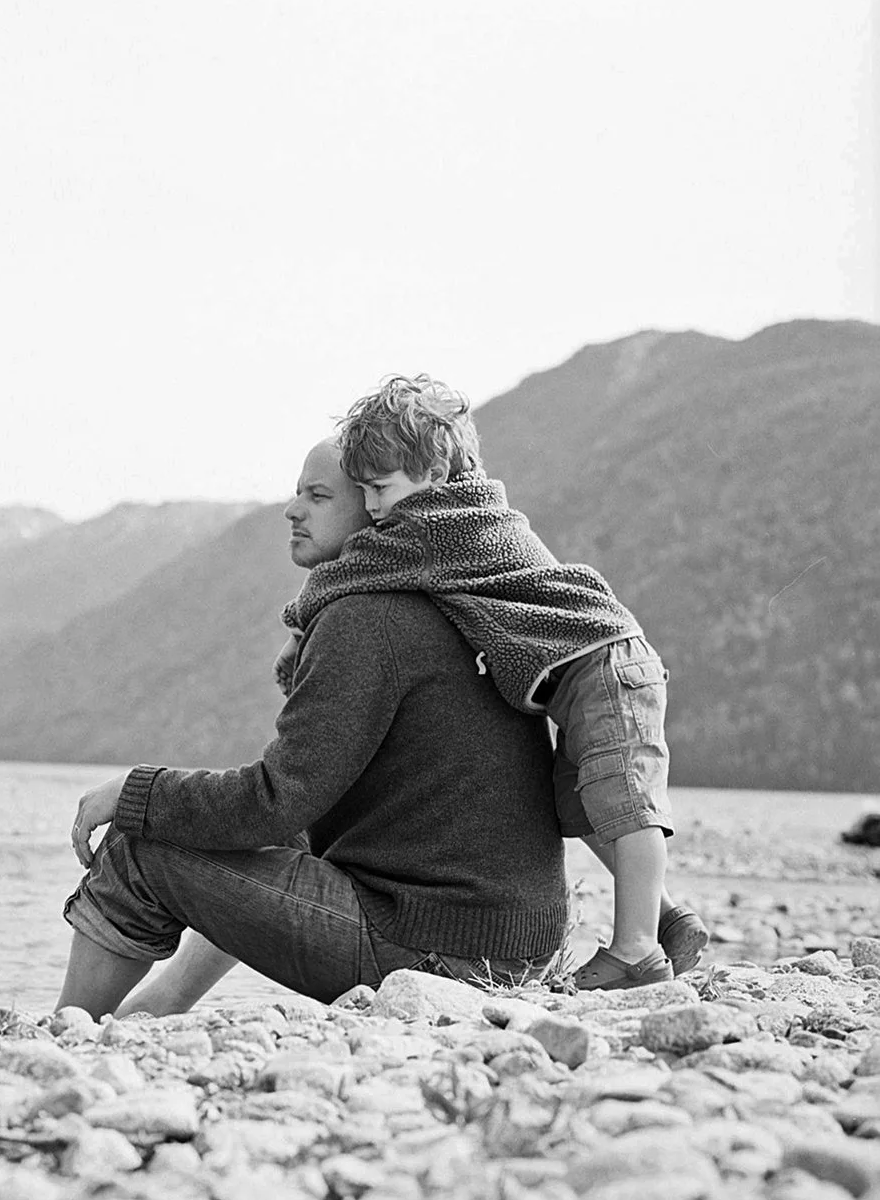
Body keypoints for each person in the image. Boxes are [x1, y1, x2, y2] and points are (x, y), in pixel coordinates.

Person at [54, 436, 569, 1021]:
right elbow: (294, 817)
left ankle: (65, 1031)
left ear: (375, 511)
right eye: (297, 492)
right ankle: (163, 1002)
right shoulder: (446, 599)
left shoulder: (366, 616)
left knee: (140, 840)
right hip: (511, 947)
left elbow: (272, 801)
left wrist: (133, 792)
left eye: (318, 496)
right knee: (232, 830)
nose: (292, 510)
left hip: (436, 950)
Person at [282, 373, 706, 990]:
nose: (372, 508)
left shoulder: (434, 528)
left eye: (379, 487)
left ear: (432, 473)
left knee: (625, 804)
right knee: (579, 807)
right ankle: (668, 915)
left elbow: (355, 571)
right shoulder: (472, 512)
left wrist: (299, 624)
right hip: (581, 671)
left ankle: (636, 951)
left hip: (604, 662)